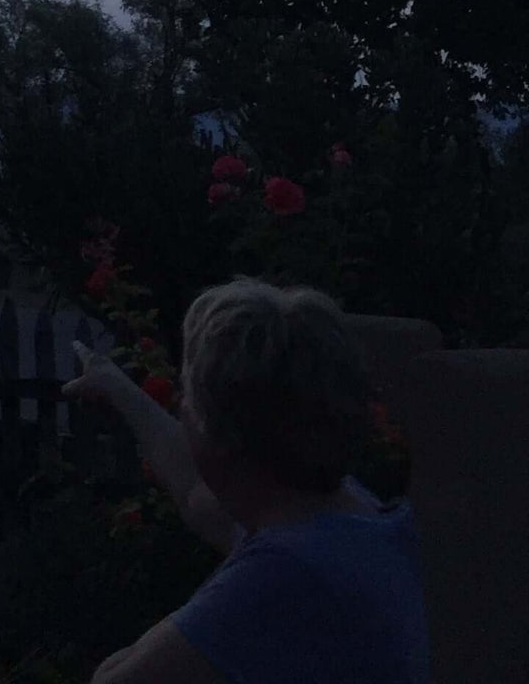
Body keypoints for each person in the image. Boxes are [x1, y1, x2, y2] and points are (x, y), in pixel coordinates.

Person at [61, 275, 429, 683]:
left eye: (189, 401)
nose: (182, 410)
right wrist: (118, 387)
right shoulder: (353, 518)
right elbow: (195, 492)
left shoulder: (281, 576)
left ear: (220, 439)